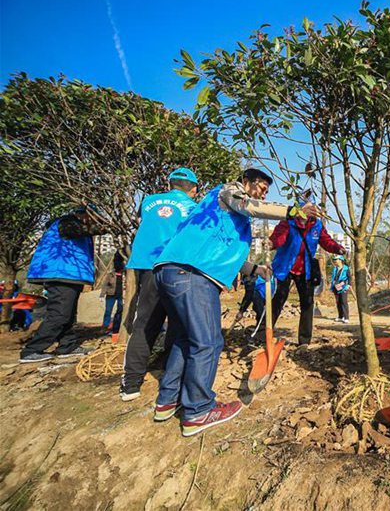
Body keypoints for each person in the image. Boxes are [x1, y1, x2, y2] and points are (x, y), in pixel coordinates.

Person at [153, 168, 319, 437]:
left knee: (186, 339)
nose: (263, 192)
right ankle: (197, 411)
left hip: (172, 272)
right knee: (208, 342)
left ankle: (167, 400)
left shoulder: (221, 216)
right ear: (245, 182)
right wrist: (293, 211)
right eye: (260, 187)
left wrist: (255, 269)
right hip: (193, 274)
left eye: (266, 190)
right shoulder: (228, 191)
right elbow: (248, 206)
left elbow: (227, 253)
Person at [119, 168, 200, 401]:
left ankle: (131, 384)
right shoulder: (193, 208)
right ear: (193, 190)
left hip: (148, 267)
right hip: (177, 268)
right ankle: (170, 375)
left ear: (171, 184)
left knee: (145, 323)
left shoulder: (148, 202)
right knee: (179, 322)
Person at [20, 206, 106, 363]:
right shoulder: (67, 222)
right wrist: (104, 228)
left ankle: (67, 346)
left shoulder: (74, 224)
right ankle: (32, 349)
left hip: (68, 274)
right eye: (93, 218)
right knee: (59, 314)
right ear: (83, 215)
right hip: (60, 273)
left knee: (67, 314)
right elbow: (72, 231)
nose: (94, 221)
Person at [269, 206, 346, 344]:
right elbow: (279, 238)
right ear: (299, 209)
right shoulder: (287, 222)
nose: (312, 211)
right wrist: (271, 243)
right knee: (278, 300)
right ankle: (264, 333)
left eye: (314, 209)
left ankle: (304, 341)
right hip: (286, 267)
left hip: (306, 269)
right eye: (309, 208)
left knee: (307, 303)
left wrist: (337, 248)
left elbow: (326, 241)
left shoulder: (317, 225)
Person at [101, 252, 125, 336]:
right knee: (108, 311)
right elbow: (105, 284)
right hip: (111, 295)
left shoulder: (125, 274)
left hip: (120, 295)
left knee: (120, 310)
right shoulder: (111, 274)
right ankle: (105, 326)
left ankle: (117, 325)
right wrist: (102, 294)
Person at [330, 255, 352, 323]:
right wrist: (331, 286)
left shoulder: (346, 268)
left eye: (336, 259)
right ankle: (340, 316)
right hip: (336, 286)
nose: (335, 261)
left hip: (343, 286)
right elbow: (333, 277)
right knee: (338, 302)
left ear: (340, 260)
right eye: (335, 260)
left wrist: (349, 285)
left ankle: (346, 317)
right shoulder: (335, 268)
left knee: (343, 301)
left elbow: (349, 277)